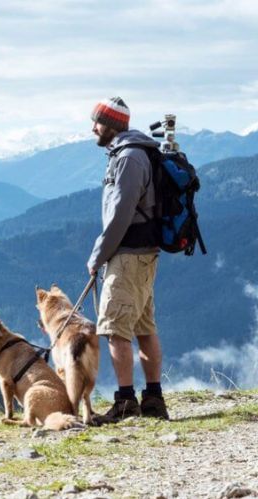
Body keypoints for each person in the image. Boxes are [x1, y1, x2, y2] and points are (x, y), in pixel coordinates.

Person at [86, 96, 170, 423]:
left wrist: (97, 256)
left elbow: (120, 215)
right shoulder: (136, 152)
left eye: (97, 122)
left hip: (128, 256)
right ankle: (153, 399)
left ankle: (125, 402)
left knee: (116, 329)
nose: (93, 127)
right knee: (143, 326)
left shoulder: (129, 158)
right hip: (143, 254)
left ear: (112, 125)